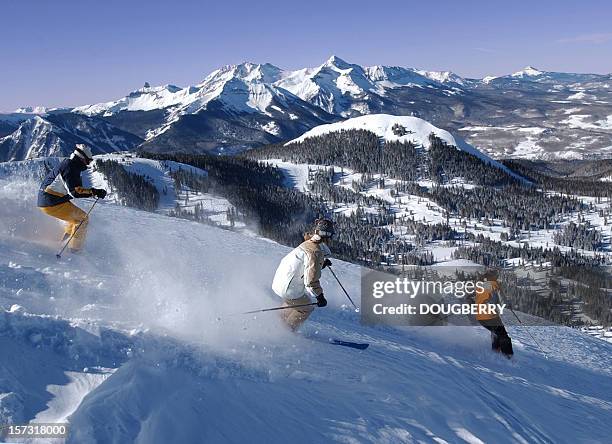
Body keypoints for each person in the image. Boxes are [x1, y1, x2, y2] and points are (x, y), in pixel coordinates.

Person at [37, 144, 107, 252]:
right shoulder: (70, 168)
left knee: (74, 219)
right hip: (51, 201)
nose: (88, 164)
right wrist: (95, 192)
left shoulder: (71, 165)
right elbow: (75, 192)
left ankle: (65, 242)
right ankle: (74, 250)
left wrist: (93, 192)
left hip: (52, 199)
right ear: (82, 158)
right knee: (82, 219)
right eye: (88, 161)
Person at [272, 219, 334, 331]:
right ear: (327, 236)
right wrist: (320, 297)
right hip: (288, 287)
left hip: (279, 282)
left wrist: (321, 264)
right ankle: (287, 331)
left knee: (295, 301)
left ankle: (278, 320)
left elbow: (305, 265)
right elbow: (310, 281)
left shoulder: (308, 243)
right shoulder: (315, 251)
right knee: (306, 307)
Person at [475, 269, 514, 357]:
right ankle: (508, 356)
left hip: (480, 317)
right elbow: (502, 300)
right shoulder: (494, 284)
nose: (497, 278)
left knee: (496, 332)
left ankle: (496, 352)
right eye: (496, 276)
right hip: (489, 315)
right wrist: (509, 305)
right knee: (503, 336)